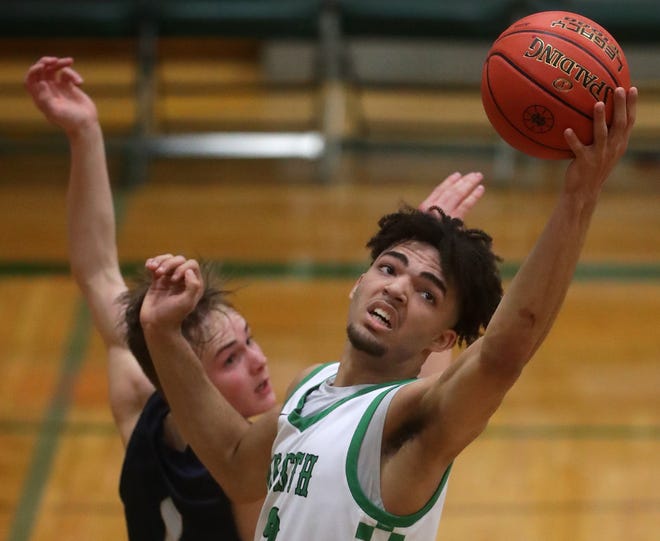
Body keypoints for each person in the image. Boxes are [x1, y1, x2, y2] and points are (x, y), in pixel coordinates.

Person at [138, 81, 637, 540]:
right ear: (358, 283)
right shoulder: (313, 388)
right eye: (388, 268)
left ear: (442, 340)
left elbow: (503, 354)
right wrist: (162, 332)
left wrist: (579, 196)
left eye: (427, 294)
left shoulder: (408, 425)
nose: (398, 289)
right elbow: (233, 461)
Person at [24, 56, 487, 540]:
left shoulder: (147, 410)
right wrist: (431, 286)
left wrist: (84, 134)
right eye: (230, 359)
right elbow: (405, 401)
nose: (259, 361)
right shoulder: (261, 477)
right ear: (182, 379)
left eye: (249, 340)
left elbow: (98, 272)